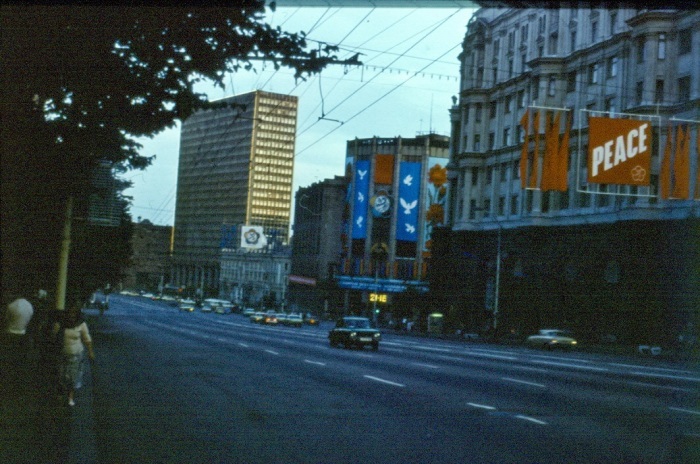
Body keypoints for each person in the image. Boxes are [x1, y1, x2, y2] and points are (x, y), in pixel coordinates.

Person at [53, 298, 95, 407]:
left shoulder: (81, 324)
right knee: (61, 375)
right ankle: (60, 394)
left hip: (76, 355)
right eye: (70, 312)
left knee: (73, 377)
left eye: (74, 313)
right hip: (62, 353)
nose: (71, 315)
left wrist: (90, 352)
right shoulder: (60, 323)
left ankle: (70, 397)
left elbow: (87, 338)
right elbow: (54, 336)